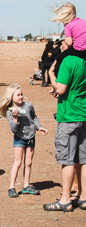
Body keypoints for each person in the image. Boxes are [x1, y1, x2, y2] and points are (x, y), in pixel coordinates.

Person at [43, 53, 86, 211]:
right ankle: (83, 197)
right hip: (83, 113)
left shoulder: (69, 60)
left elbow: (61, 88)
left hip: (69, 116)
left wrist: (51, 75)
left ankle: (65, 200)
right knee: (83, 159)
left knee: (67, 159)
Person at [0, 84, 48, 198]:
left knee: (28, 162)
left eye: (21, 94)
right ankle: (11, 187)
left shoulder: (28, 106)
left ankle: (26, 186)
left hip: (31, 137)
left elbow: (34, 117)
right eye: (18, 95)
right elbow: (13, 129)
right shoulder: (10, 112)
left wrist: (39, 127)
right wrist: (15, 118)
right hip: (19, 138)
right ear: (11, 97)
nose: (21, 97)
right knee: (18, 162)